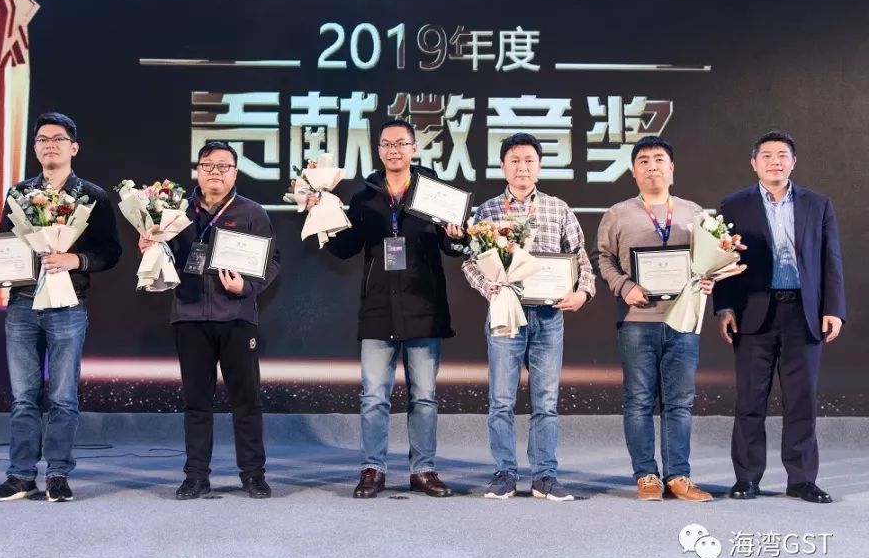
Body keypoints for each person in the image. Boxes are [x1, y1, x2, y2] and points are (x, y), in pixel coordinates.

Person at [310, 119, 465, 498]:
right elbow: (345, 248)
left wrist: (456, 236)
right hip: (379, 308)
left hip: (424, 308)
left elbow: (451, 248)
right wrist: (319, 216)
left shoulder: (434, 192)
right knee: (373, 397)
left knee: (424, 397)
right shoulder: (365, 197)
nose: (394, 150)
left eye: (401, 143)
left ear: (414, 148)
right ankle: (372, 470)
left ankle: (423, 470)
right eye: (386, 144)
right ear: (378, 150)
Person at [0, 112, 121, 503]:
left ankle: (57, 474)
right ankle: (21, 476)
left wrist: (76, 260)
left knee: (62, 396)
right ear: (35, 148)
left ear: (74, 147)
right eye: (42, 140)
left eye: (58, 139)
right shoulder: (19, 193)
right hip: (22, 304)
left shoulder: (92, 195)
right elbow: (3, 245)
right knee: (23, 396)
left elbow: (111, 252)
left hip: (68, 304)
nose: (49, 145)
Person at [142, 141, 281, 499]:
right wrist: (150, 246)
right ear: (198, 170)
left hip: (237, 316)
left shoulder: (252, 212)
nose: (215, 171)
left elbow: (272, 261)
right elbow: (164, 256)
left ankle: (253, 475)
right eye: (208, 165)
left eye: (224, 166)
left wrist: (246, 287)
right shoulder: (173, 212)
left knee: (246, 400)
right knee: (196, 402)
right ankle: (196, 476)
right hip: (189, 316)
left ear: (235, 173)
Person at [461, 133, 595, 502]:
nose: (522, 167)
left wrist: (583, 292)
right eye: (515, 160)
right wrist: (487, 287)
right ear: (503, 166)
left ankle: (545, 476)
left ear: (539, 166)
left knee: (546, 401)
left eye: (529, 160)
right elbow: (470, 262)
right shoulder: (487, 212)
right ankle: (504, 473)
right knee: (501, 399)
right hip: (506, 312)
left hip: (548, 315)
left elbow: (581, 259)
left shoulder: (558, 208)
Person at [714, 131, 845, 504]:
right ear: (754, 163)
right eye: (767, 155)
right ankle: (747, 478)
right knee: (750, 401)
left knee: (801, 400)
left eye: (782, 155)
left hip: (803, 313)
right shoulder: (733, 205)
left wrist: (834, 309)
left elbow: (831, 260)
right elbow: (722, 261)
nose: (775, 161)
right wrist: (724, 307)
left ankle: (802, 480)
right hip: (752, 314)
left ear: (793, 162)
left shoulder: (818, 204)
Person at [595, 135, 714, 502]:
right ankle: (646, 475)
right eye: (643, 161)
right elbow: (603, 258)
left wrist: (709, 278)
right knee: (639, 401)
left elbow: (709, 259)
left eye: (659, 159)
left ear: (671, 168)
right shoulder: (618, 213)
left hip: (683, 321)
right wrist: (623, 285)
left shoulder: (695, 213)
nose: (652, 167)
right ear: (633, 171)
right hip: (637, 321)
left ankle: (678, 476)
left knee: (679, 403)